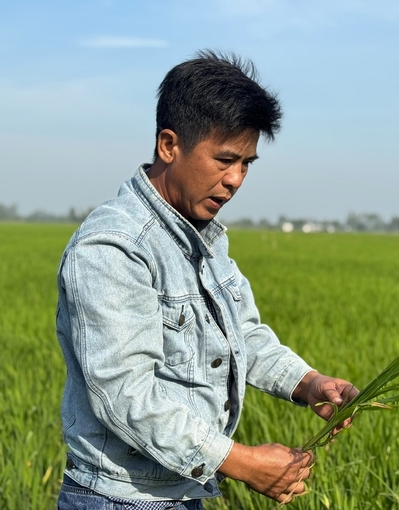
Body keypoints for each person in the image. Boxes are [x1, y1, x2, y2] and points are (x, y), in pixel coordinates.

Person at [55, 50, 357, 509]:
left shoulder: (204, 238)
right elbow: (126, 394)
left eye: (247, 164)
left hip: (183, 491)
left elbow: (244, 334)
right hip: (119, 499)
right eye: (225, 159)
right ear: (169, 146)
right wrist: (244, 463)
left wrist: (308, 383)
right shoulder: (114, 247)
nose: (235, 180)